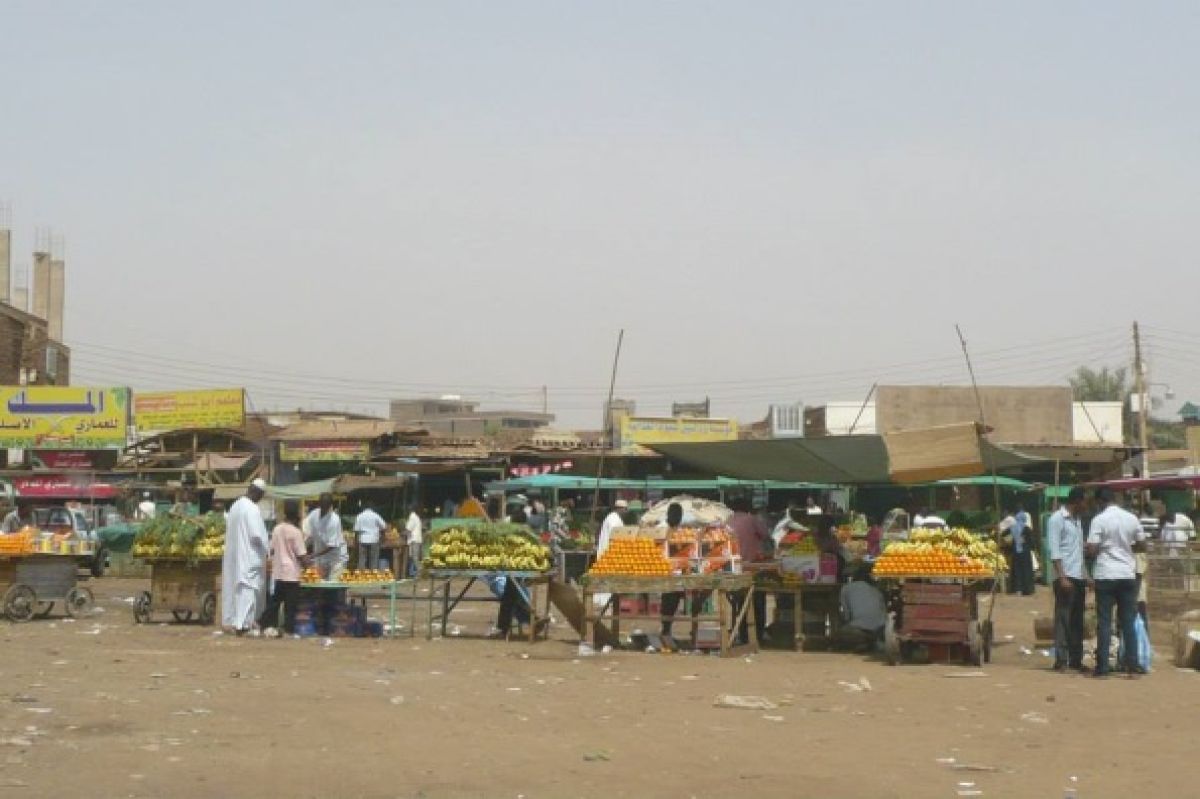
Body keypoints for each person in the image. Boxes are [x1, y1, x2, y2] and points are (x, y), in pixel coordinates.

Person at [1086, 487, 1147, 677]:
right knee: (1128, 621)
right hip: (1127, 574)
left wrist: (1094, 549)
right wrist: (1126, 548)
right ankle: (1132, 666)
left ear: (1100, 502)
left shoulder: (1099, 520)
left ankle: (1103, 667)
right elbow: (1142, 545)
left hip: (1106, 574)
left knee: (1104, 621)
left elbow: (1092, 549)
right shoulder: (1131, 518)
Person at [221, 478, 270, 634]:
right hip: (249, 555)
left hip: (235, 556)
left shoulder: (235, 505)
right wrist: (268, 549)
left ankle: (236, 621)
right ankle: (242, 624)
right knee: (248, 590)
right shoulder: (252, 508)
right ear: (258, 493)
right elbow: (257, 534)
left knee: (236, 589)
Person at [1048, 487, 1088, 672]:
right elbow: (1054, 550)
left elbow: (1078, 551)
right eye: (1084, 502)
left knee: (1077, 621)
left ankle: (1076, 660)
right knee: (1063, 619)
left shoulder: (1078, 521)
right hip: (1065, 576)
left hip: (1078, 576)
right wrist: (1062, 577)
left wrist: (1086, 575)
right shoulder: (1057, 519)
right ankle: (1061, 660)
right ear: (1077, 501)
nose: (1086, 506)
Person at [259, 500, 308, 635]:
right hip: (292, 573)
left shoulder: (277, 529)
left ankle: (264, 623)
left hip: (279, 571)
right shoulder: (296, 532)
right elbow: (301, 554)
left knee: (275, 602)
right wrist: (308, 566)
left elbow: (272, 549)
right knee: (291, 605)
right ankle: (288, 629)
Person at [728, 498, 769, 645]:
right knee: (758, 600)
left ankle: (742, 632)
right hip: (752, 567)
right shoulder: (751, 519)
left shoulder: (728, 521)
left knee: (740, 601)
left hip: (733, 568)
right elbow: (765, 534)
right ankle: (758, 633)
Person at [834, 563, 887, 652]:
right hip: (880, 630)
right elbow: (884, 613)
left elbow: (846, 616)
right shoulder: (877, 591)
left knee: (840, 634)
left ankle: (864, 642)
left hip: (858, 629)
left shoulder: (846, 588)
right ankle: (874, 642)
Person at [659, 502, 688, 647]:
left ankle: (667, 630)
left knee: (674, 600)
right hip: (664, 570)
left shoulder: (679, 530)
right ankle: (665, 631)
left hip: (676, 571)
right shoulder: (662, 528)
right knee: (668, 600)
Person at [304, 493, 347, 580]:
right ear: (319, 503)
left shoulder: (334, 520)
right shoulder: (314, 514)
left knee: (333, 584)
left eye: (326, 506)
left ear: (330, 506)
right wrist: (302, 550)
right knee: (318, 582)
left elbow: (331, 545)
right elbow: (309, 534)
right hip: (320, 558)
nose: (324, 508)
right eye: (322, 505)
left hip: (335, 559)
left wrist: (313, 555)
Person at [1001, 505, 1036, 596]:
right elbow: (1032, 542)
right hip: (1025, 553)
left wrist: (1010, 541)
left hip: (1015, 552)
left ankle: (1017, 589)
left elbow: (1003, 534)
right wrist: (1030, 547)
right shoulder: (1027, 528)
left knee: (1017, 570)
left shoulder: (1012, 527)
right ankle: (1027, 589)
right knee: (1026, 570)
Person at [352, 502, 388, 571]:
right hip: (374, 539)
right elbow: (384, 527)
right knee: (374, 559)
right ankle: (373, 574)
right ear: (372, 508)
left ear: (364, 508)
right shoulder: (375, 515)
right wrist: (383, 537)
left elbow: (356, 531)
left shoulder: (360, 516)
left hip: (363, 539)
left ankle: (361, 575)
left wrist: (355, 542)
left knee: (362, 559)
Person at [404, 506, 423, 577]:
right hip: (417, 539)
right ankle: (414, 573)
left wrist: (401, 533)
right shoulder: (416, 517)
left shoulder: (412, 517)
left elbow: (408, 529)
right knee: (414, 557)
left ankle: (421, 571)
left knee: (415, 557)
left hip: (414, 540)